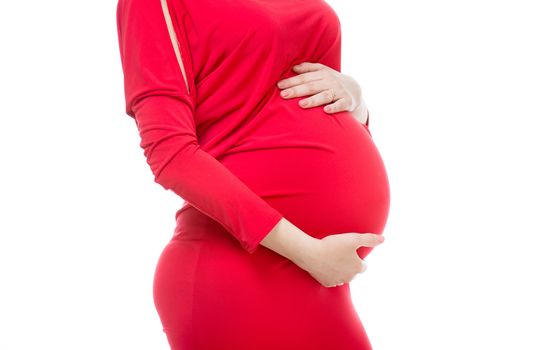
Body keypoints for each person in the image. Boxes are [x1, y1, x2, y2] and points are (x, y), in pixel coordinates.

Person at [115, 0, 391, 348]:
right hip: (240, 273)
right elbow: (170, 153)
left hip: (322, 278)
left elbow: (304, 110)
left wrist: (356, 100)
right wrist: (307, 251)